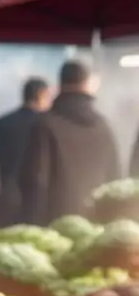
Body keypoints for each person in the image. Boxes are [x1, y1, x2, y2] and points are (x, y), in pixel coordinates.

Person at [20, 59, 120, 225]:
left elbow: (35, 181)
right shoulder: (103, 127)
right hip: (96, 225)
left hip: (56, 227)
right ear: (87, 83)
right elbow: (114, 178)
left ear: (60, 84)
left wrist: (33, 226)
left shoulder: (44, 124)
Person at [0, 78, 51, 229]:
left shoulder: (1, 123)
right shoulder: (47, 125)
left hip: (2, 199)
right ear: (41, 95)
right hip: (35, 201)